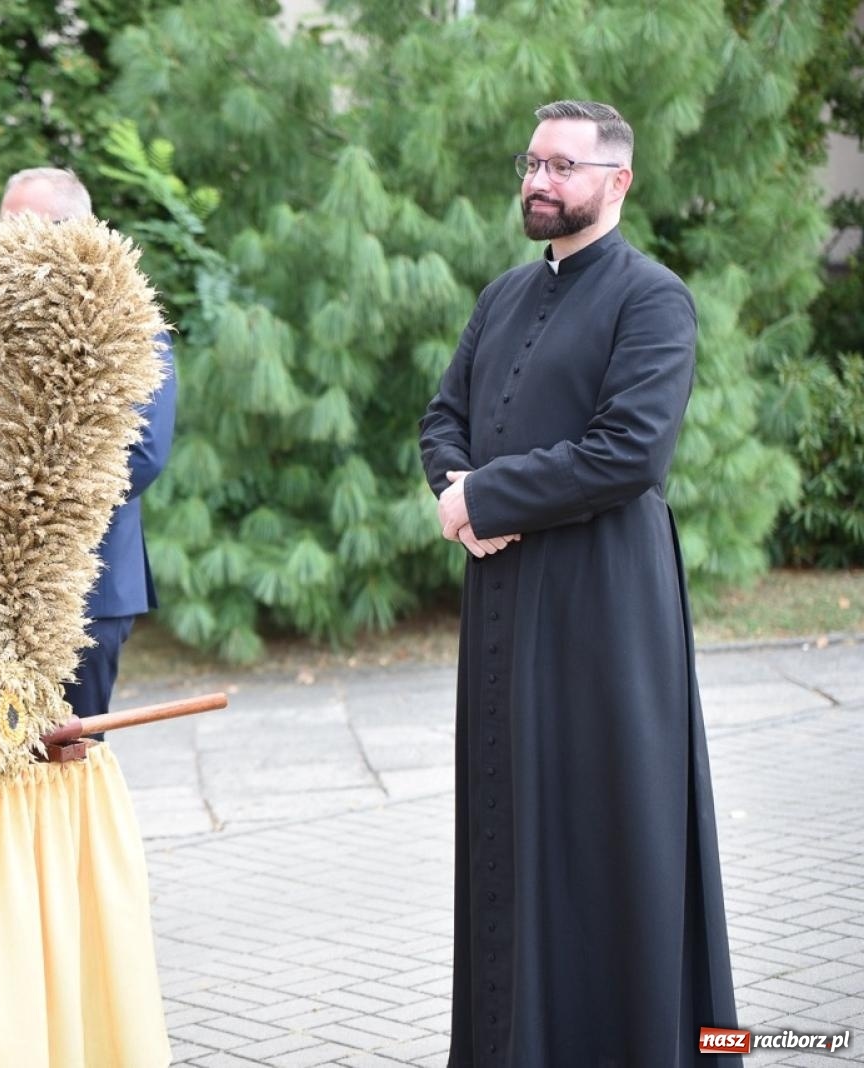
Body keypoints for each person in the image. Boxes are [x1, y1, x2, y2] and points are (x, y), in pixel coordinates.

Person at [419, 101, 739, 1066]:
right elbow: (444, 417)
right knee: (507, 820)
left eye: (563, 166)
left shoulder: (653, 299)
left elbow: (630, 452)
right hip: (505, 603)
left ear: (617, 182)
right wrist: (456, 490)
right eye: (532, 162)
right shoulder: (501, 296)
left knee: (609, 824)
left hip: (605, 606)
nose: (539, 181)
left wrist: (488, 499)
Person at [0, 168, 177, 734]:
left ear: (79, 230)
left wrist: (27, 503)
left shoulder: (132, 323)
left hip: (88, 587)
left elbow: (141, 454)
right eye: (2, 228)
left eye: (24, 229)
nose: (7, 244)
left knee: (74, 758)